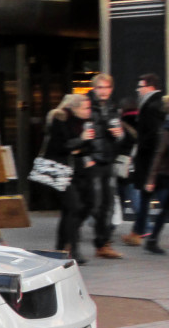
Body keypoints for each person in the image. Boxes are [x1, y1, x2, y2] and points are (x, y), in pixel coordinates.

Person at [45, 94, 97, 264]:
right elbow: (59, 146)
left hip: (78, 170)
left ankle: (61, 246)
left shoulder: (84, 123)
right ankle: (73, 249)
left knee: (77, 208)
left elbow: (86, 146)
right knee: (73, 207)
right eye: (85, 108)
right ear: (74, 108)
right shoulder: (60, 119)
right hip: (59, 169)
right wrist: (79, 141)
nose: (89, 111)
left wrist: (79, 146)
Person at [86, 73, 124, 259]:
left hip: (108, 160)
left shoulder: (113, 107)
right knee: (94, 203)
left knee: (108, 204)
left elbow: (120, 136)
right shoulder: (86, 106)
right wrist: (87, 157)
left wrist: (119, 135)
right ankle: (71, 241)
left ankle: (103, 243)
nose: (103, 91)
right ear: (94, 88)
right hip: (92, 161)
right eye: (100, 88)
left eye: (106, 88)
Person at [124, 73, 164, 246]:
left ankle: (144, 233)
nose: (138, 90)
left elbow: (154, 135)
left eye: (140, 86)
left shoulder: (152, 105)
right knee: (146, 196)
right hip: (151, 160)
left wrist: (142, 149)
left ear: (149, 86)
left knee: (157, 195)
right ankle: (139, 231)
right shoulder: (154, 103)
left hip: (151, 161)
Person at [142, 112, 169, 254]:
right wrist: (151, 179)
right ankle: (152, 240)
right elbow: (158, 155)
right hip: (164, 176)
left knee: (165, 210)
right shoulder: (166, 131)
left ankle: (152, 240)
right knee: (164, 208)